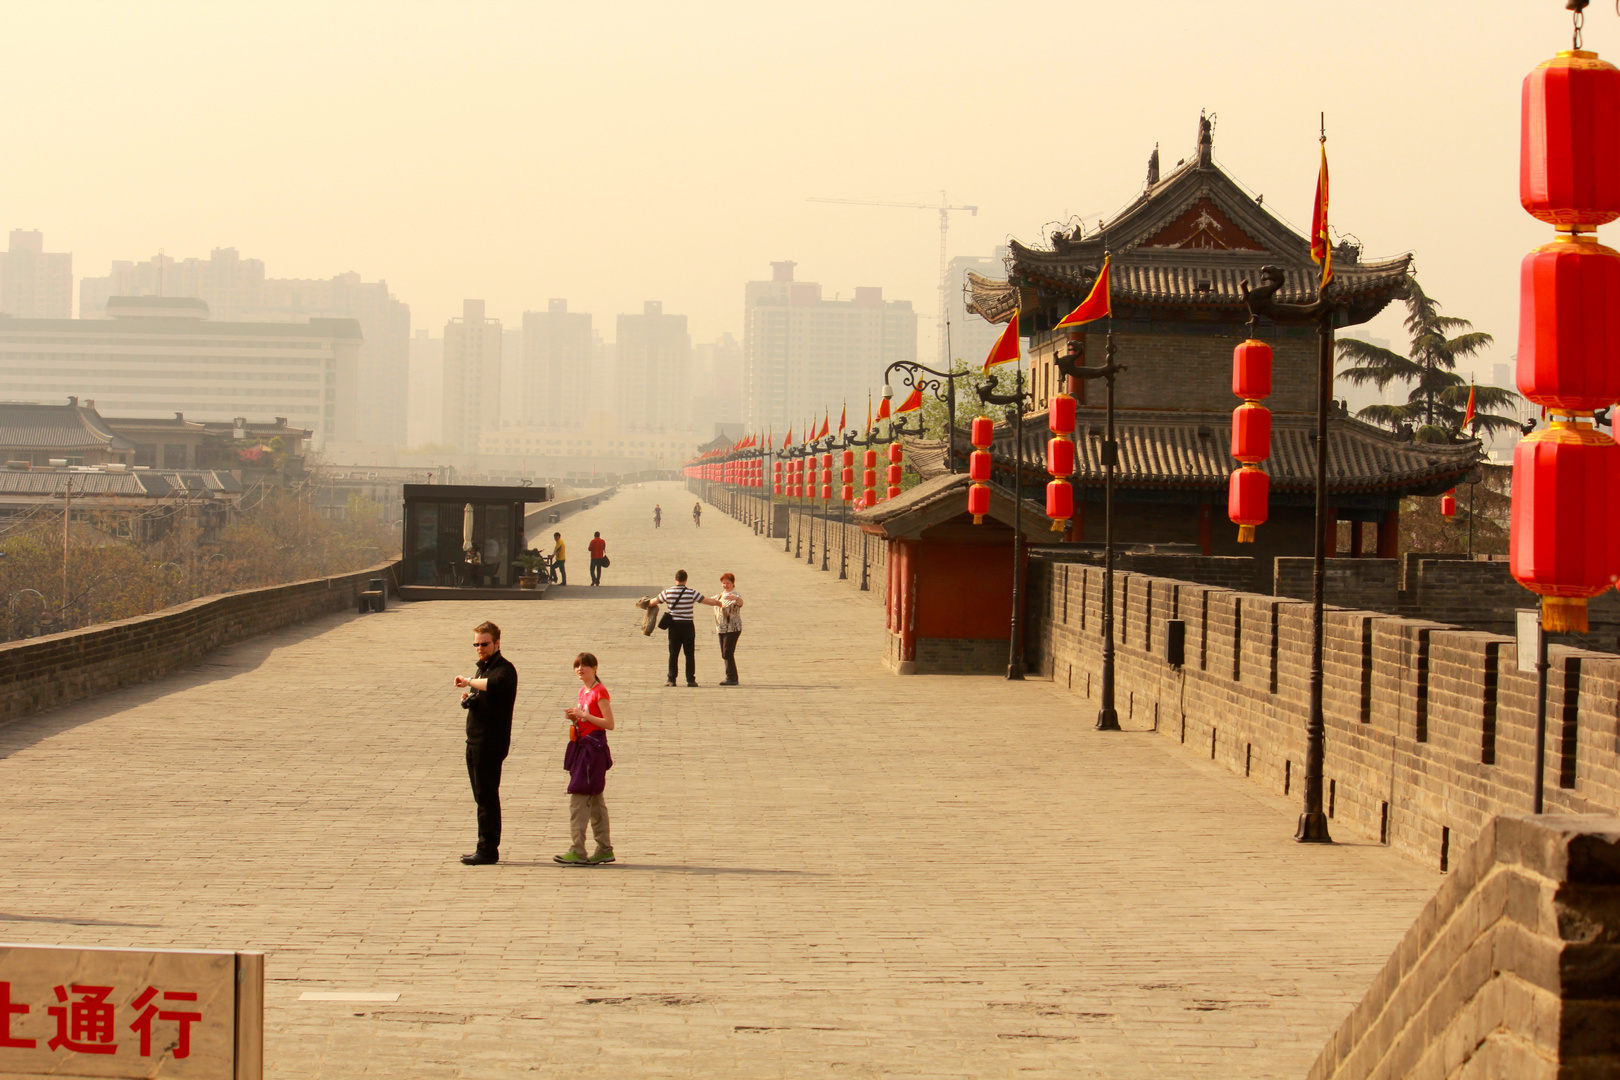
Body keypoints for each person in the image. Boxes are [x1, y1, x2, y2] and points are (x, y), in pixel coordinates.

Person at [455, 621, 517, 866]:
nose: (480, 648)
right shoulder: (483, 669)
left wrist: (469, 681)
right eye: (477, 644)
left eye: (485, 644)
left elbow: (496, 685)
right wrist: (470, 698)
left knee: (487, 796)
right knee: (481, 795)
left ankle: (488, 849)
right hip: (475, 740)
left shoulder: (504, 669)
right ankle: (485, 845)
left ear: (497, 643)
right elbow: (485, 693)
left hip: (490, 742)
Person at [555, 651, 615, 866]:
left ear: (595, 668)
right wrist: (574, 718)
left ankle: (578, 849)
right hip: (583, 745)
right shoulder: (583, 691)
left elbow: (609, 723)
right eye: (577, 666)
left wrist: (584, 716)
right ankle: (604, 848)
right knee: (596, 800)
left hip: (593, 749)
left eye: (585, 666)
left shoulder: (600, 692)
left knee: (579, 798)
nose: (580, 669)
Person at [656, 570, 703, 687]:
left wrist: (646, 603)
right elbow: (706, 601)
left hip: (674, 626)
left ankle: (671, 679)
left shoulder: (668, 592)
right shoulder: (691, 593)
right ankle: (690, 680)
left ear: (675, 579)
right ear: (686, 580)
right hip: (688, 626)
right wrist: (719, 603)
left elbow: (654, 601)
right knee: (689, 654)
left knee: (673, 653)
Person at [708, 573, 743, 685]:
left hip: (732, 628)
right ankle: (732, 676)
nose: (726, 585)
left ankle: (731, 677)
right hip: (721, 628)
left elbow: (741, 602)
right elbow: (708, 600)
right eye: (724, 583)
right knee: (724, 653)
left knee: (727, 652)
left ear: (733, 584)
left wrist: (736, 598)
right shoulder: (720, 595)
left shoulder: (735, 595)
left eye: (728, 583)